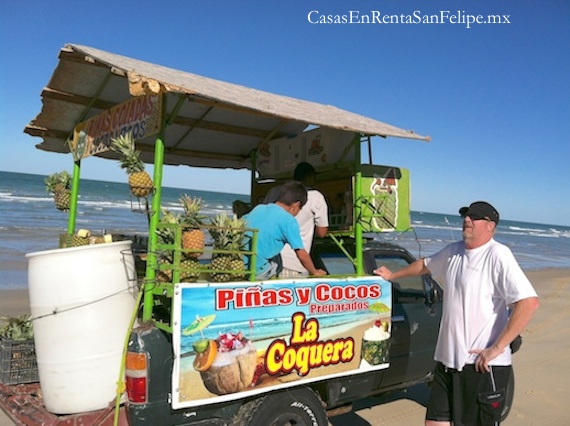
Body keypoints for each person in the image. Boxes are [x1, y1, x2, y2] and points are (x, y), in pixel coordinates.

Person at [374, 201, 539, 426]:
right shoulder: (454, 251)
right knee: (434, 423)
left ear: (490, 226)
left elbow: (528, 302)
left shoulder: (498, 255)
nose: (467, 220)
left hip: (481, 366)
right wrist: (393, 276)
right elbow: (425, 265)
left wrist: (496, 349)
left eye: (475, 217)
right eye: (466, 215)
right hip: (447, 362)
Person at [243, 180, 327, 280]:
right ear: (296, 206)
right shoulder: (289, 221)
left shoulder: (259, 208)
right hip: (260, 270)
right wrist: (314, 272)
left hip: (242, 265)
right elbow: (302, 254)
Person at [279, 162, 329, 278]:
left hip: (273, 259)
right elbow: (322, 233)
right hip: (296, 262)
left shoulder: (281, 193)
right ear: (309, 176)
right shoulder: (315, 196)